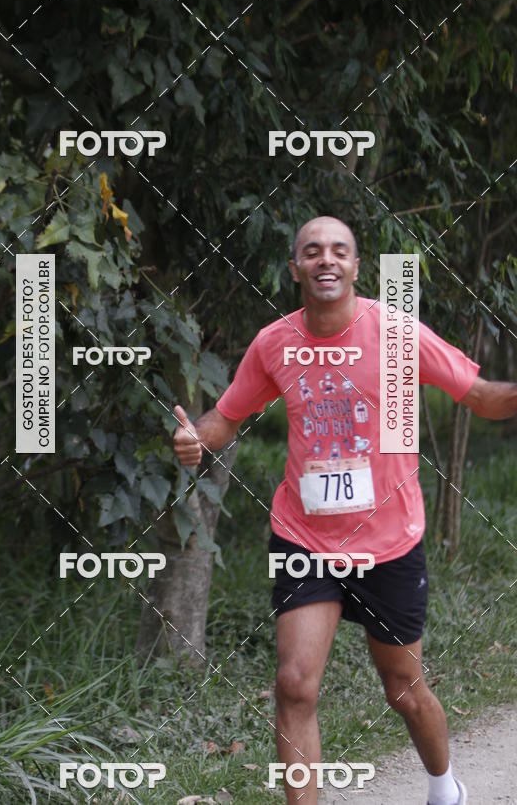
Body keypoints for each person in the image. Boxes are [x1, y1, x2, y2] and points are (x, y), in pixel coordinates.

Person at [173, 216, 517, 804]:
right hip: (305, 539)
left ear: (356, 266)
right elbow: (226, 417)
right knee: (294, 686)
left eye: (338, 251)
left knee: (403, 687)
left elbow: (482, 397)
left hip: (389, 543)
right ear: (296, 269)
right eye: (312, 252)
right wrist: (195, 439)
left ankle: (444, 787)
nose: (325, 260)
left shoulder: (397, 334)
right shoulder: (274, 343)